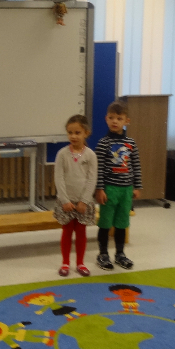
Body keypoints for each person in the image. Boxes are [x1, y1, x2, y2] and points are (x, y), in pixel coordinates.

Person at [94, 101, 142, 270]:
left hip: (126, 190)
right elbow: (98, 168)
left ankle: (120, 254)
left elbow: (136, 165)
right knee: (105, 223)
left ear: (126, 121)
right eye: (112, 118)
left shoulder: (131, 143)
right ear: (106, 119)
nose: (115, 121)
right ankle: (103, 254)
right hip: (109, 189)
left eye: (119, 118)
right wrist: (99, 189)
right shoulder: (103, 143)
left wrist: (137, 187)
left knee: (122, 223)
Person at [53, 114, 97, 277]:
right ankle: (65, 262)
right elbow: (59, 178)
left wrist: (84, 201)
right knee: (67, 232)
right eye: (70, 132)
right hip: (66, 203)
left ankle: (80, 263)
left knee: (81, 233)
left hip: (82, 204)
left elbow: (92, 179)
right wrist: (65, 200)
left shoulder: (90, 155)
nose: (73, 136)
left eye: (77, 132)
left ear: (86, 133)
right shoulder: (62, 154)